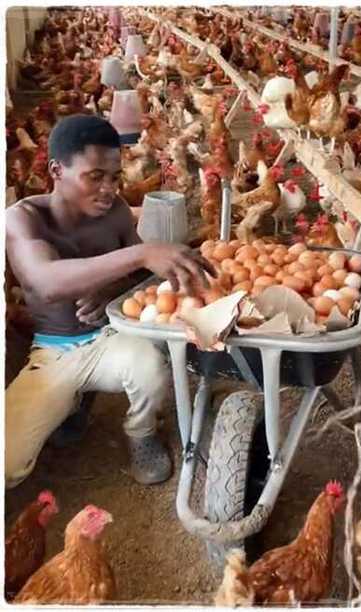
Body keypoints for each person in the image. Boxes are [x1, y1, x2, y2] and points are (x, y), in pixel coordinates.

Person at [5, 115, 215, 489]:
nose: (108, 188)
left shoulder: (115, 211)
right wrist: (138, 255)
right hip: (54, 351)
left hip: (109, 336)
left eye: (115, 177)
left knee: (150, 366)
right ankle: (73, 401)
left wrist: (111, 287)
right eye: (95, 176)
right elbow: (45, 282)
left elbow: (140, 275)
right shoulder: (23, 220)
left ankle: (141, 433)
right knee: (7, 462)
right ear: (57, 170)